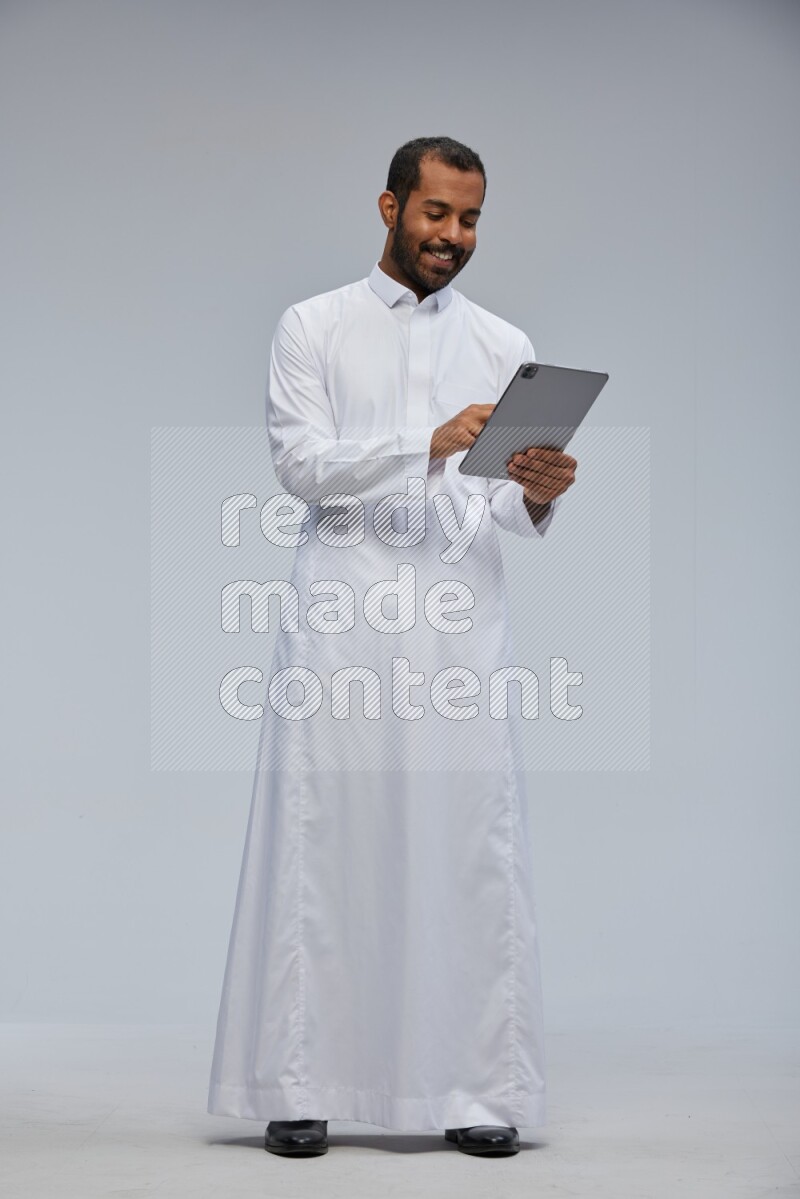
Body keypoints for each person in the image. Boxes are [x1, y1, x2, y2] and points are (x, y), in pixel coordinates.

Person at [207, 135, 577, 1158]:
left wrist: (535, 492)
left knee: (467, 845)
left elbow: (501, 502)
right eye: (435, 214)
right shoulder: (313, 326)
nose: (452, 237)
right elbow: (300, 466)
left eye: (468, 220)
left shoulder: (505, 342)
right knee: (325, 838)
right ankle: (300, 1079)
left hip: (461, 622)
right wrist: (425, 440)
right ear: (388, 206)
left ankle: (472, 1088)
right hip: (345, 617)